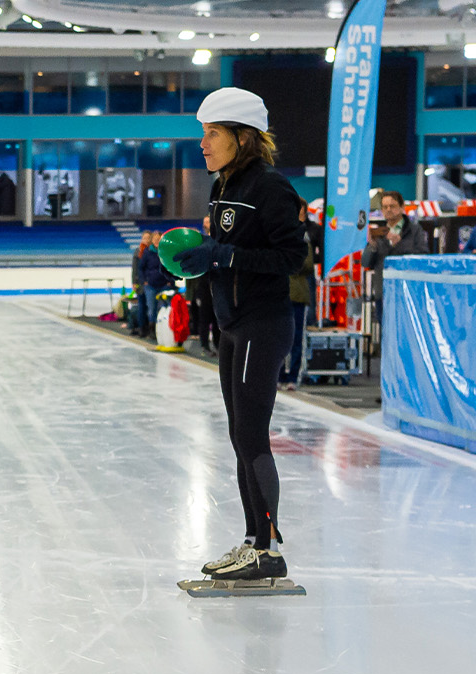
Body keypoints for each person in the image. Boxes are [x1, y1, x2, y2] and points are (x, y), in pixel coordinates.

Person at [168, 86, 307, 584]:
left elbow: (293, 259)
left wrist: (222, 255)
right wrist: (202, 254)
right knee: (237, 434)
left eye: (212, 133)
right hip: (232, 325)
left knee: (251, 434)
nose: (202, 143)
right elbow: (231, 247)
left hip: (261, 326)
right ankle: (252, 541)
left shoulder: (271, 187)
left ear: (241, 136)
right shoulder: (224, 185)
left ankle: (267, 550)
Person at [284, 205, 316, 385]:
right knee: (277, 338)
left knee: (297, 337)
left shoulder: (304, 237)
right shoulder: (278, 232)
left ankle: (293, 376)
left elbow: (308, 265)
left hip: (298, 295)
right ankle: (279, 375)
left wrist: (287, 262)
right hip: (278, 295)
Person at [363, 189, 428, 270]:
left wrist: (398, 244)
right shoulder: (378, 232)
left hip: (405, 278)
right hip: (382, 280)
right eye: (385, 207)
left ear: (402, 207)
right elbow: (365, 263)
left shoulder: (415, 230)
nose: (388, 209)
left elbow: (423, 258)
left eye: (392, 206)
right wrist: (372, 246)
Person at [137, 231, 175, 341]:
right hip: (151, 285)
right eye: (155, 239)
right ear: (152, 240)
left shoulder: (166, 251)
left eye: (159, 239)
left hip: (164, 285)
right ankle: (152, 330)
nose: (157, 241)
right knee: (151, 308)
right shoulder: (147, 252)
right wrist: (144, 280)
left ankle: (166, 329)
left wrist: (170, 281)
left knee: (165, 308)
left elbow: (171, 266)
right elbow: (141, 268)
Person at [128, 231, 151, 335]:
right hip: (140, 283)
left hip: (150, 282)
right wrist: (134, 282)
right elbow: (134, 268)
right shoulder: (138, 252)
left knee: (149, 306)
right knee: (141, 306)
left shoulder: (153, 251)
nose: (146, 240)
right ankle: (141, 327)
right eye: (144, 238)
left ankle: (149, 327)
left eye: (148, 238)